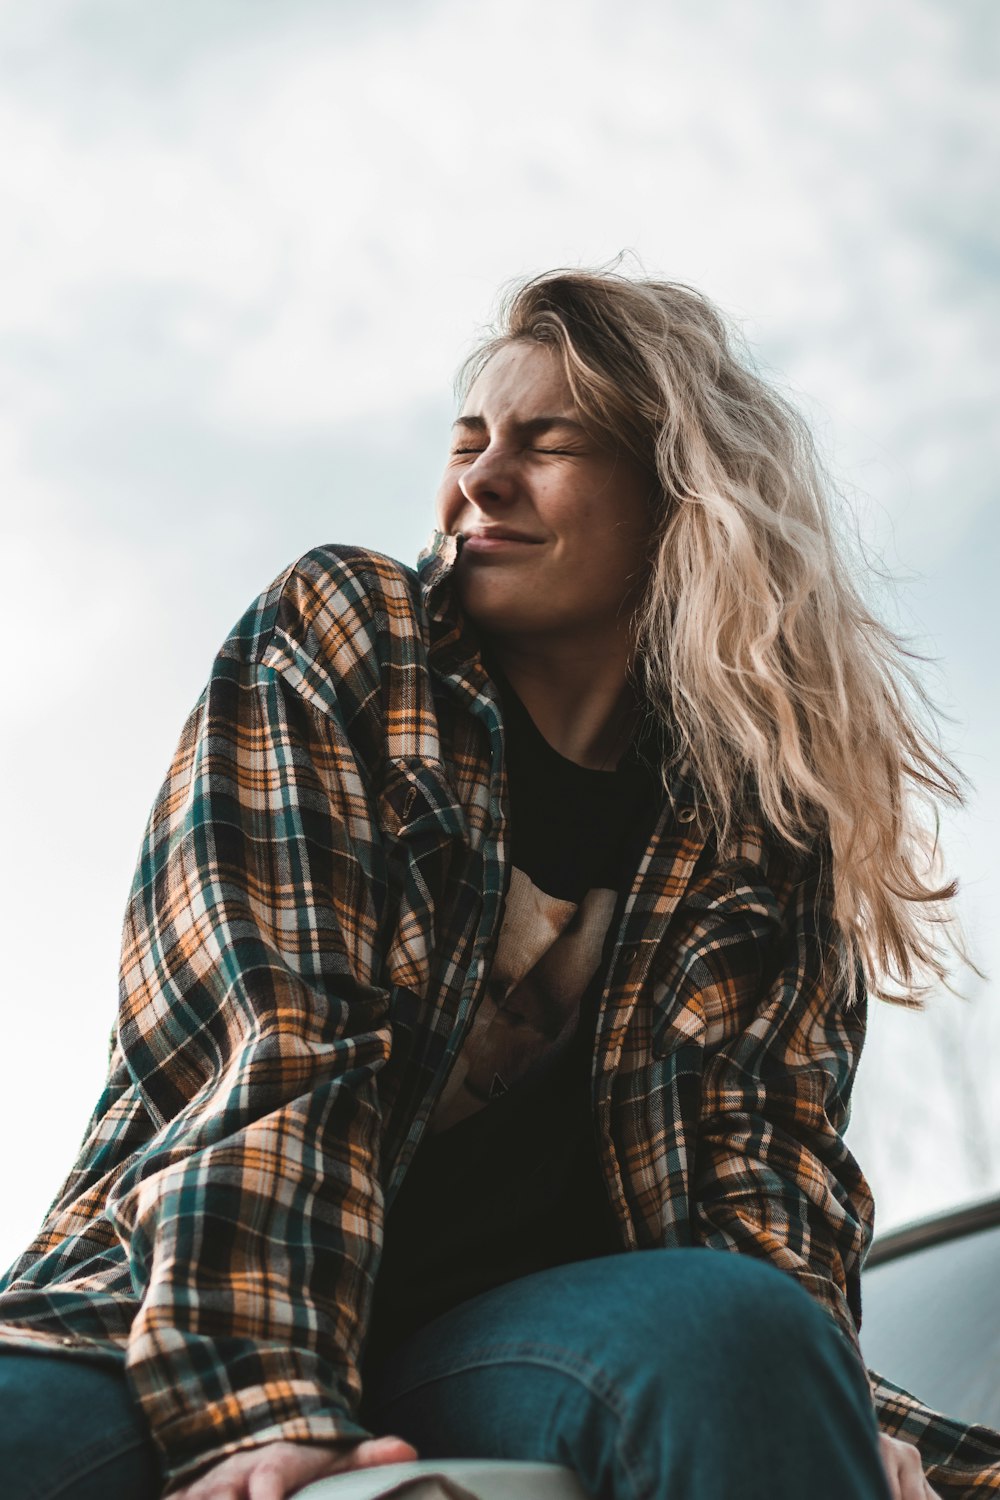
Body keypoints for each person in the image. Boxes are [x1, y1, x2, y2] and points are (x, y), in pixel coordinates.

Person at [1, 266, 998, 1500]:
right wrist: (264, 1406)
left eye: (546, 441)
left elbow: (758, 1172)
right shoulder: (349, 642)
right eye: (469, 439)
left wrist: (819, 1391)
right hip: (198, 1295)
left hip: (514, 1346)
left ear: (681, 494)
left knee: (729, 1333)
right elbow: (268, 1039)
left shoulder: (761, 827)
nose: (476, 479)